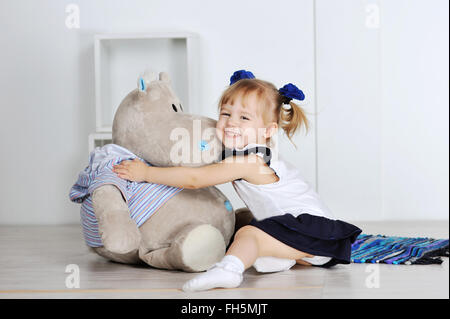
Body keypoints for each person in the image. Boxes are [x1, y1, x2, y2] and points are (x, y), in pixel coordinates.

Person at [112, 70, 362, 292]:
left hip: (313, 230)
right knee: (253, 225)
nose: (231, 122)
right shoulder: (244, 153)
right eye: (225, 113)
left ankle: (229, 270)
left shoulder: (251, 160)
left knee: (248, 233)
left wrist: (146, 174)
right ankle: (278, 256)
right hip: (312, 244)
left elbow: (195, 179)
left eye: (244, 118)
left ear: (268, 131)